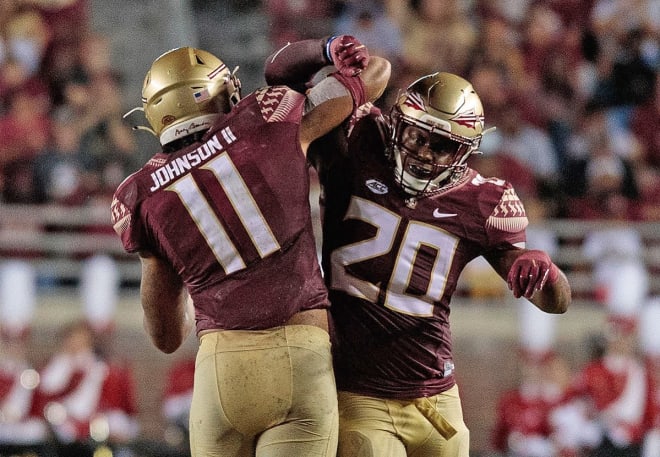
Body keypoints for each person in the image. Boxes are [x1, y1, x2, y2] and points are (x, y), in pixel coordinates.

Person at [265, 46, 571, 457]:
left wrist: (544, 271)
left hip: (438, 399)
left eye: (443, 146)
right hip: (360, 392)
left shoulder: (483, 201)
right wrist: (325, 47)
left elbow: (555, 303)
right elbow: (280, 77)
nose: (426, 152)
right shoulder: (355, 140)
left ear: (465, 151)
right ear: (396, 123)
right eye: (418, 135)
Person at [110, 38, 390, 457]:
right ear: (219, 92)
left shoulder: (141, 195)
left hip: (221, 366)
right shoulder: (267, 120)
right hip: (302, 353)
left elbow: (166, 336)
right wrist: (326, 48)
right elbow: (375, 73)